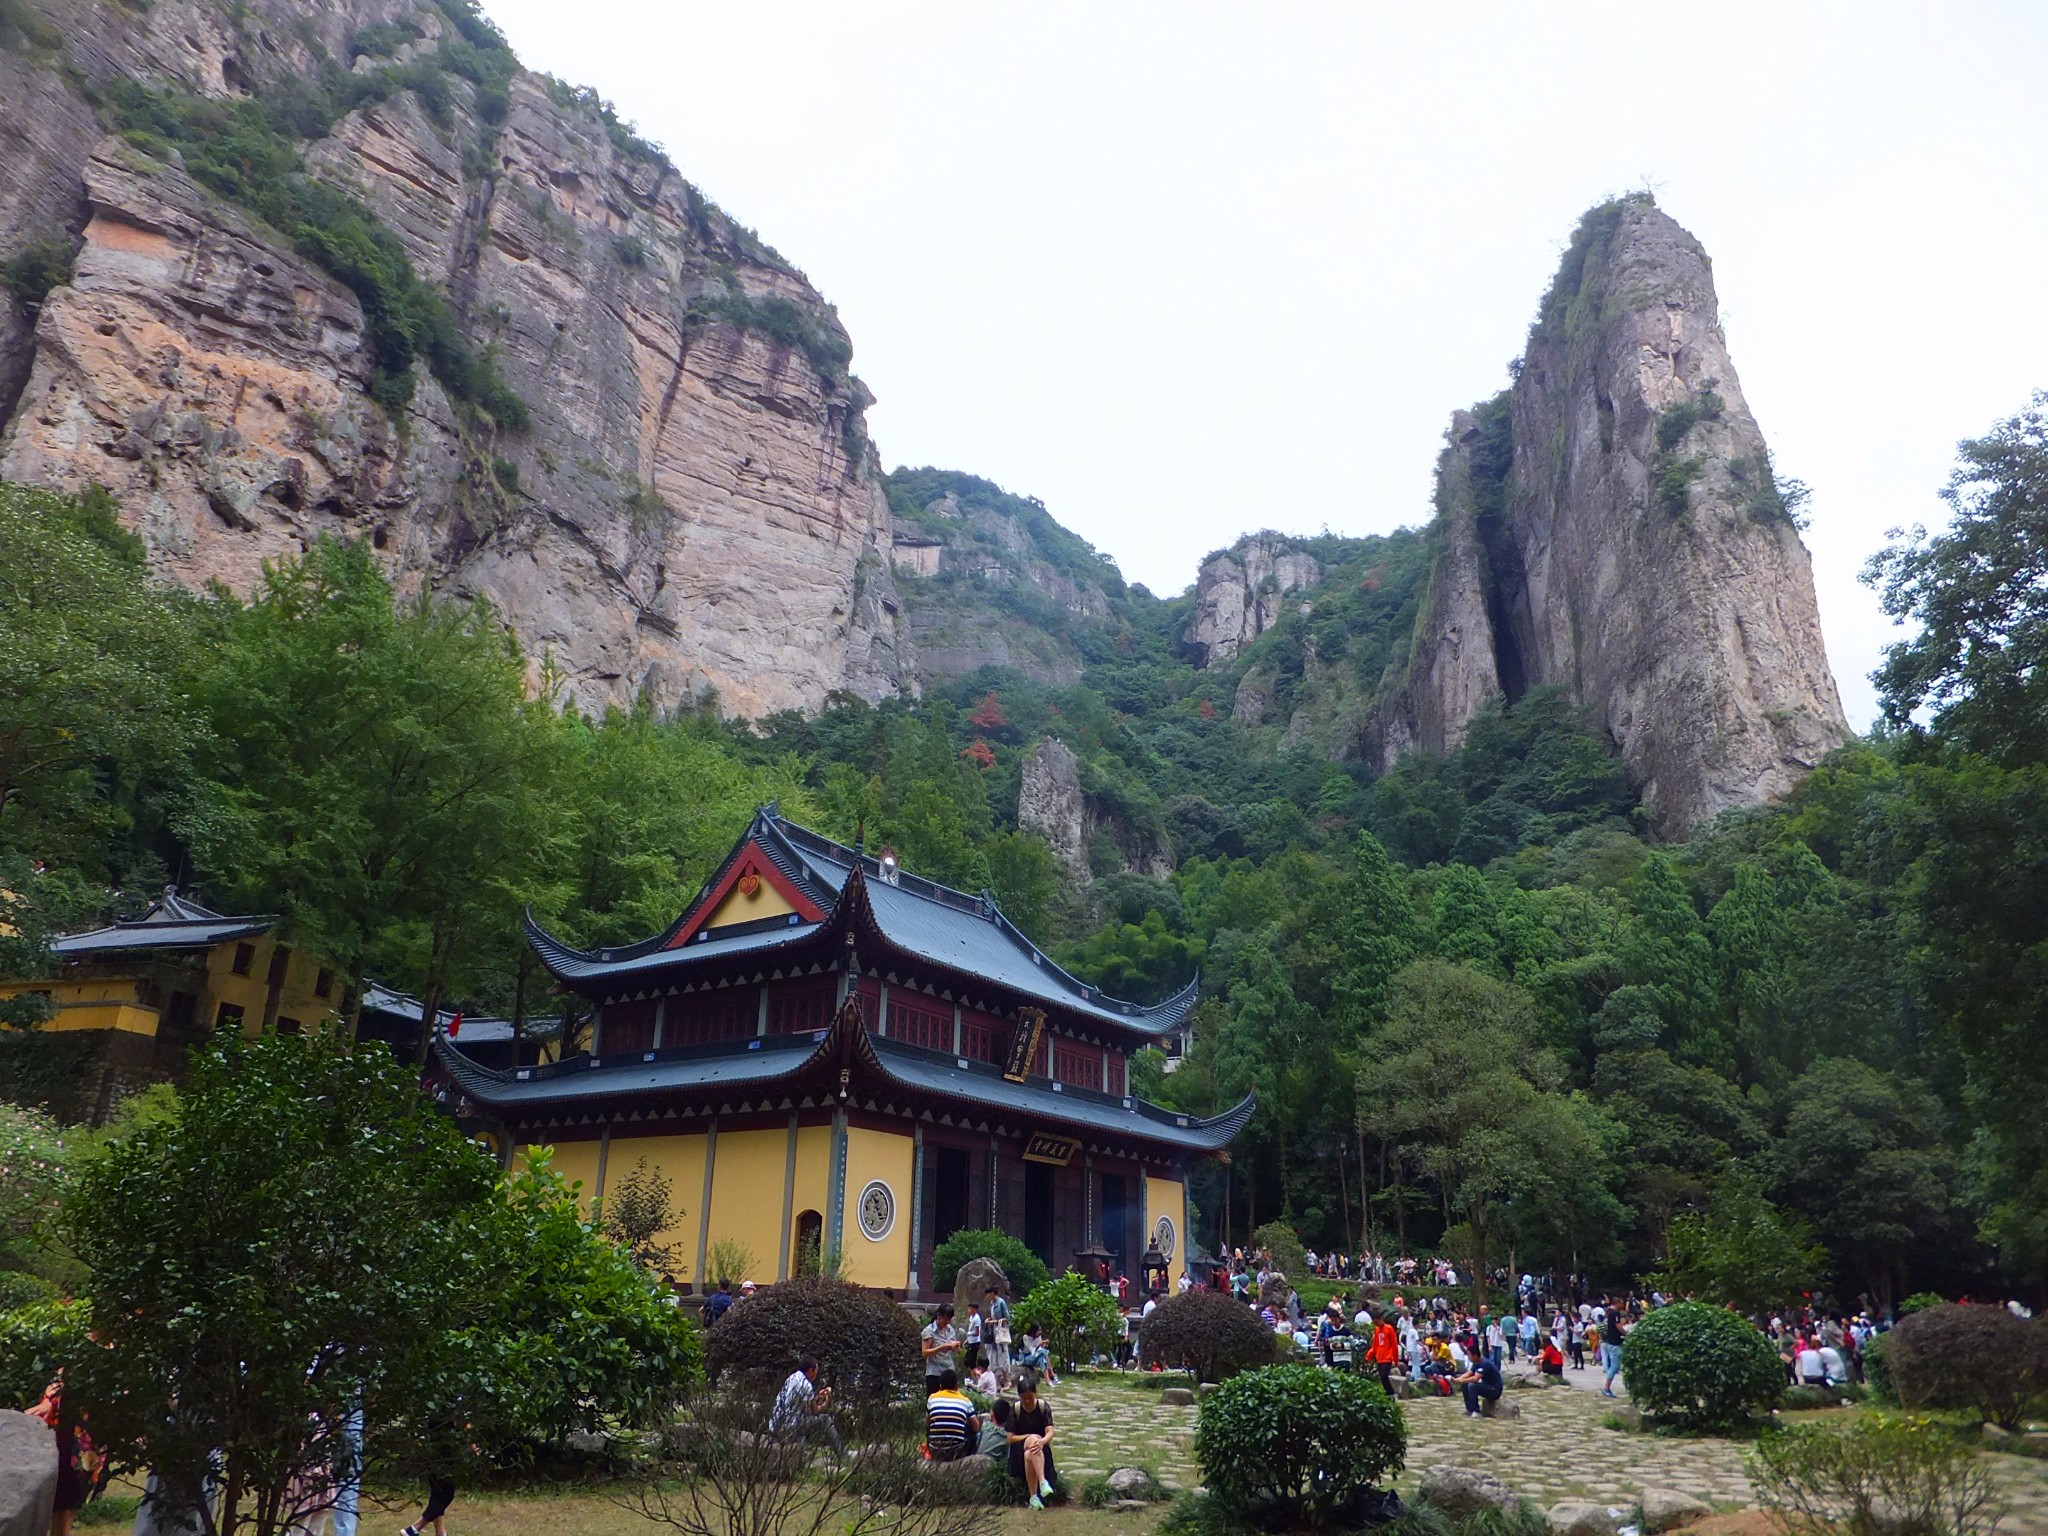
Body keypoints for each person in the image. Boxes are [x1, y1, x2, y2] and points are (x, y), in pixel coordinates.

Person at [769, 1355, 843, 1458]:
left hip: (775, 1425)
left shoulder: (793, 1378)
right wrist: (827, 1400)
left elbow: (805, 1403)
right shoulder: (805, 1385)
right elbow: (815, 1411)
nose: (817, 1374)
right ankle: (842, 1454)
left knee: (801, 1420)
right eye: (816, 1371)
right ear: (810, 1370)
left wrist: (817, 1397)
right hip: (788, 1428)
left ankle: (800, 1455)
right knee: (825, 1420)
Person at [1007, 1375, 1057, 1510]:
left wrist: (1041, 1442)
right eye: (1024, 1398)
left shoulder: (1042, 1407)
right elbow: (1010, 1438)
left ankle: (1033, 1497)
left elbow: (1050, 1432)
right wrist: (1029, 1437)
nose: (1027, 1401)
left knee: (1029, 1455)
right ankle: (1042, 1481)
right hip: (1019, 1448)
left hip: (1038, 1449)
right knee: (1032, 1439)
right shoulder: (1016, 1409)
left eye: (1030, 1397)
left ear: (1035, 1395)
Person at [924, 1369, 979, 1462]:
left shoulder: (932, 1398)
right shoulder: (965, 1401)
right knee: (974, 1431)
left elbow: (927, 1423)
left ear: (940, 1386)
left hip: (935, 1449)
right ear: (957, 1386)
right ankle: (969, 1458)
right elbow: (976, 1428)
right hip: (957, 1450)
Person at [1453, 1351, 1504, 1418]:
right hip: (1486, 1386)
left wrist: (1461, 1380)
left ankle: (1476, 1411)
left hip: (1494, 1390)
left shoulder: (1484, 1363)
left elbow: (1475, 1378)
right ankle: (1470, 1409)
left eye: (1469, 1355)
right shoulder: (1476, 1362)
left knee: (1472, 1386)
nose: (1468, 1357)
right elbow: (1469, 1373)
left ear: (1475, 1356)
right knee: (1465, 1384)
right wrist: (1458, 1379)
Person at [922, 1303, 961, 1388]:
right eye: (945, 1319)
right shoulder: (929, 1331)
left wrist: (955, 1347)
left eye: (949, 1320)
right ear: (939, 1316)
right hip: (935, 1372)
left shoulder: (950, 1330)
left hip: (949, 1369)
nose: (947, 1322)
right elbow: (924, 1353)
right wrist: (940, 1348)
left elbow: (956, 1350)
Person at [987, 1282, 1014, 1388]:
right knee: (995, 1357)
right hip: (994, 1332)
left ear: (993, 1293)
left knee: (1003, 1355)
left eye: (989, 1294)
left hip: (1001, 1332)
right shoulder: (992, 1304)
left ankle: (1007, 1379)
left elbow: (1007, 1318)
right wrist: (989, 1320)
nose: (987, 1296)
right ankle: (997, 1382)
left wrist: (995, 1322)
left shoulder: (1001, 1302)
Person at [1599, 1315, 1625, 1398]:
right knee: (1614, 1367)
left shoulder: (1606, 1325)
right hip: (1614, 1345)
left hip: (1609, 1344)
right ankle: (1606, 1387)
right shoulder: (1615, 1321)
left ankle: (1607, 1387)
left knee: (1613, 1366)